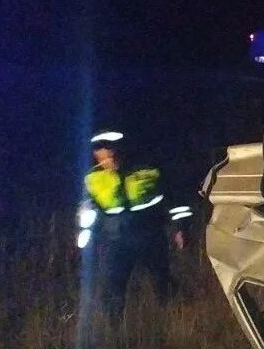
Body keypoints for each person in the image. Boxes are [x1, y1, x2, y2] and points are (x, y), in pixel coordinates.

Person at [78, 130, 191, 320]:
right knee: (114, 288)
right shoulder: (92, 179)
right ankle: (114, 333)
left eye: (112, 147)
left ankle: (175, 321)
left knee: (161, 281)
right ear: (96, 153)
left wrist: (181, 227)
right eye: (102, 148)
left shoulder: (147, 171)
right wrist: (85, 239)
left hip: (150, 236)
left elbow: (174, 199)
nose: (108, 152)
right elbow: (87, 211)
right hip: (115, 241)